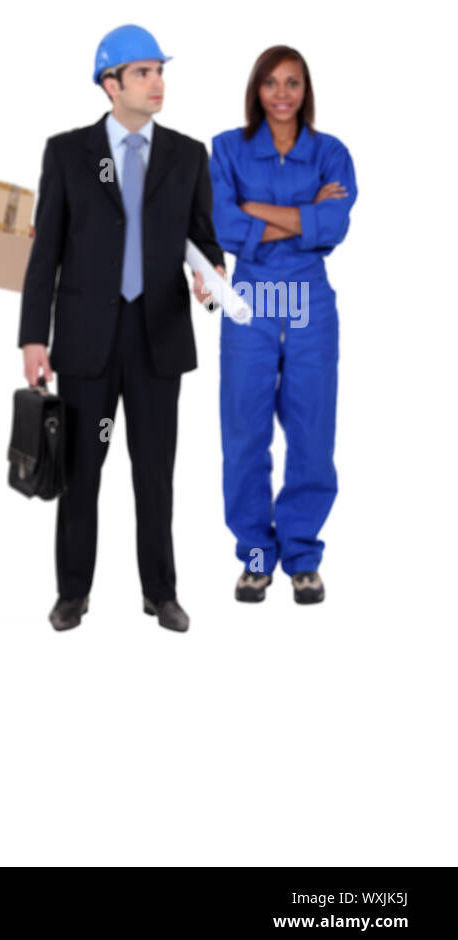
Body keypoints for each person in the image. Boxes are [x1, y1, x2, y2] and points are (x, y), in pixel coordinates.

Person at [18, 25, 225, 633]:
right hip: (86, 339)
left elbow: (205, 240)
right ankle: (72, 592)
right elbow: (45, 253)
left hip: (158, 335)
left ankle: (160, 591)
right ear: (111, 85)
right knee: (81, 472)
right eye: (143, 73)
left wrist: (212, 276)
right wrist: (34, 337)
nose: (157, 83)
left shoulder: (189, 156)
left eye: (160, 71)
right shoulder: (66, 153)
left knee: (155, 472)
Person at [210, 47, 356, 605]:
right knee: (245, 431)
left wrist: (259, 210)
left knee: (312, 430)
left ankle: (301, 555)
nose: (281, 94)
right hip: (251, 298)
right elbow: (223, 223)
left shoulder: (332, 153)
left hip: (308, 299)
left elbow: (334, 225)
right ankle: (253, 558)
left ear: (305, 90)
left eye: (292, 83)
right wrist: (303, 216)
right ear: (256, 89)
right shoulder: (226, 149)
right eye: (271, 83)